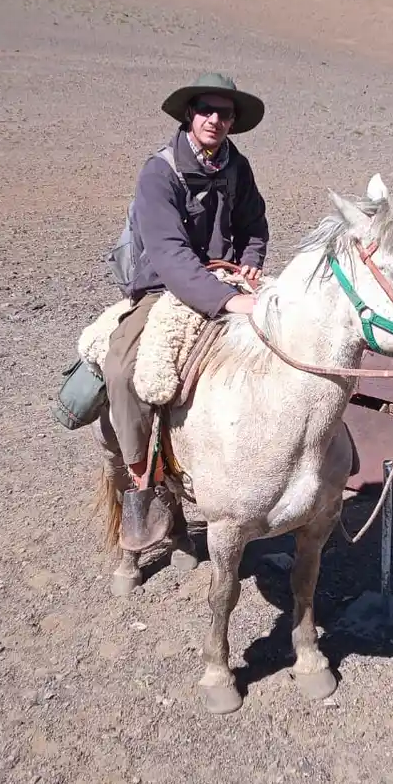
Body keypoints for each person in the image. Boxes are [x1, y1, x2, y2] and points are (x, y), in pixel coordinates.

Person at [104, 72, 270, 549]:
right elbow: (168, 253)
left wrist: (251, 262)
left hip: (226, 278)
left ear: (233, 121)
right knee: (122, 369)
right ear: (189, 114)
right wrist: (227, 300)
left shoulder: (237, 167)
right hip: (164, 286)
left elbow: (254, 225)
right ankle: (140, 476)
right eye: (206, 110)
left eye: (224, 113)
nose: (214, 119)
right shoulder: (159, 172)